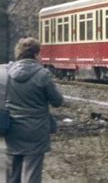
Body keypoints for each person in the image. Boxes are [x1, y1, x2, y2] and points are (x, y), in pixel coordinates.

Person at [4, 37, 64, 183]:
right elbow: (57, 101)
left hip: (12, 129)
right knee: (32, 173)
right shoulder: (42, 75)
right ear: (36, 54)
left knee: (13, 174)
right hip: (36, 132)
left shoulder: (7, 73)